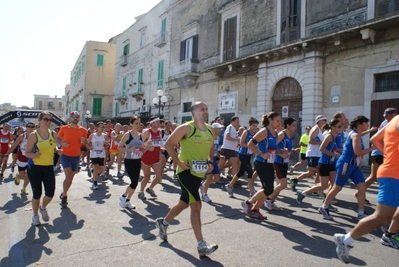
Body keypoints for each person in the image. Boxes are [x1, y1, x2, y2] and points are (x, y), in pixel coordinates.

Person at [333, 114, 399, 263]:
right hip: (393, 175)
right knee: (381, 217)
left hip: (391, 172)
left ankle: (390, 234)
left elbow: (374, 139)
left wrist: (388, 155)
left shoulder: (393, 120)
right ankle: (345, 240)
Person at [155, 101, 218, 257]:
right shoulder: (186, 128)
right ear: (193, 112)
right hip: (184, 172)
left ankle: (163, 223)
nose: (205, 112)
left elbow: (211, 150)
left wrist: (210, 161)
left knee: (184, 203)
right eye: (202, 109)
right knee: (196, 204)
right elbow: (169, 144)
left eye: (207, 109)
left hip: (199, 174)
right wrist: (178, 163)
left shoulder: (210, 130)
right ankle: (201, 245)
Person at [319, 116, 375, 221]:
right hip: (346, 164)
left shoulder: (356, 134)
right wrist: (373, 148)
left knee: (362, 188)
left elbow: (360, 137)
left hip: (353, 165)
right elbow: (357, 152)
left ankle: (361, 213)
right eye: (366, 124)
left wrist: (370, 131)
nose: (367, 125)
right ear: (360, 124)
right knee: (337, 187)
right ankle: (324, 207)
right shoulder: (354, 135)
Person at [242, 111, 287, 219]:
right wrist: (261, 154)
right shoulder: (264, 132)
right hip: (261, 163)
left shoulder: (276, 133)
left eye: (280, 121)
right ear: (270, 120)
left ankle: (255, 209)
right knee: (268, 189)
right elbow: (250, 144)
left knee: (268, 189)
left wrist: (281, 152)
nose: (279, 123)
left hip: (269, 163)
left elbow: (272, 150)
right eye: (277, 121)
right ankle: (248, 203)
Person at [354, 108, 397, 203]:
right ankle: (360, 193)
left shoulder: (388, 123)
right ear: (390, 116)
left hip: (381, 153)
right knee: (374, 176)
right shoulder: (388, 124)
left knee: (377, 176)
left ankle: (360, 193)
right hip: (379, 153)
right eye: (394, 115)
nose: (395, 116)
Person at [296, 119, 342, 208]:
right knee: (323, 186)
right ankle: (303, 193)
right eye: (339, 126)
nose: (340, 128)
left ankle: (326, 203)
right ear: (333, 127)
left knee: (334, 185)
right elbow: (322, 148)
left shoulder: (335, 137)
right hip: (324, 163)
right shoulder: (329, 136)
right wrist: (333, 154)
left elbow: (333, 148)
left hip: (331, 163)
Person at [25, 112, 57, 226]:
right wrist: (34, 155)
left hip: (48, 167)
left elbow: (55, 147)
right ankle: (35, 215)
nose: (48, 122)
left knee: (50, 193)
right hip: (35, 167)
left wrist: (59, 150)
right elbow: (27, 153)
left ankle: (43, 208)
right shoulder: (34, 135)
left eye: (50, 120)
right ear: (39, 120)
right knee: (37, 194)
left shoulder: (53, 134)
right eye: (45, 119)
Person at [266, 117, 299, 210]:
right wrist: (281, 154)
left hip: (285, 162)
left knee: (280, 184)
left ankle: (271, 200)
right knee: (283, 184)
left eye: (296, 125)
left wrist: (292, 150)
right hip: (278, 162)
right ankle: (268, 199)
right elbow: (272, 147)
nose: (295, 127)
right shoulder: (282, 135)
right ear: (287, 125)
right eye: (293, 125)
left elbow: (285, 149)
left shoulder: (289, 136)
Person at [56, 111, 87, 208]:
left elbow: (85, 142)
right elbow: (57, 138)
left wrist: (84, 141)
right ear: (70, 118)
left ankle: (63, 193)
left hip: (76, 156)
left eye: (77, 117)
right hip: (65, 155)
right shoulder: (64, 128)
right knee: (68, 177)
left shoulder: (82, 130)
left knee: (70, 179)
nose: (75, 118)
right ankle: (65, 196)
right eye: (73, 117)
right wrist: (62, 144)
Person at [290, 115, 327, 191]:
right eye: (324, 120)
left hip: (318, 154)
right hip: (312, 154)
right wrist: (321, 142)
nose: (325, 122)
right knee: (310, 173)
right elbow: (310, 141)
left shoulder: (319, 130)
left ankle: (316, 189)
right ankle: (295, 180)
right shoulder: (315, 129)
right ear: (319, 121)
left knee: (318, 172)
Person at [118, 116, 148, 209]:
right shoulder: (127, 135)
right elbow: (119, 147)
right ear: (131, 124)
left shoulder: (140, 136)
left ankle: (128, 201)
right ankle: (123, 196)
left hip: (137, 161)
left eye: (139, 124)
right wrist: (128, 150)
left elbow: (142, 151)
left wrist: (147, 147)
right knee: (134, 182)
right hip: (129, 161)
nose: (138, 125)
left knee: (135, 183)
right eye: (136, 123)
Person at [225, 117, 258, 197]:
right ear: (249, 125)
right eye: (253, 125)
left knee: (241, 172)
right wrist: (250, 146)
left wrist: (254, 151)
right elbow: (242, 143)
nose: (255, 127)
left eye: (256, 126)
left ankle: (230, 185)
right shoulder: (246, 132)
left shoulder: (255, 134)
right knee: (250, 172)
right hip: (243, 154)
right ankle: (251, 190)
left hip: (249, 155)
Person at [138, 116, 163, 199]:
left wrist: (161, 149)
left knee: (159, 175)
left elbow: (158, 144)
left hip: (156, 157)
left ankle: (150, 188)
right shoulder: (147, 133)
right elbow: (140, 146)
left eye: (159, 122)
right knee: (147, 176)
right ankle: (141, 191)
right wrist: (147, 147)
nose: (159, 123)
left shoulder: (159, 132)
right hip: (146, 158)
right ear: (152, 123)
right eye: (157, 122)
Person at [6, 123, 35, 195]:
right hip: (22, 158)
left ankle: (24, 188)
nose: (30, 128)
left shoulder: (36, 136)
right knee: (22, 175)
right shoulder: (22, 137)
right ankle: (18, 177)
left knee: (29, 175)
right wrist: (7, 155)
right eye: (29, 126)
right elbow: (13, 146)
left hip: (31, 159)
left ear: (34, 128)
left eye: (32, 127)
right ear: (26, 128)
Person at [200, 122, 224, 203]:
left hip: (213, 159)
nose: (220, 130)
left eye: (220, 128)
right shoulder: (208, 137)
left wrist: (219, 155)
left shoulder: (218, 138)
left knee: (217, 178)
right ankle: (204, 195)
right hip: (208, 160)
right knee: (209, 177)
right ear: (213, 129)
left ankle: (204, 185)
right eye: (218, 128)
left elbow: (215, 149)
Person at [87, 122, 108, 190]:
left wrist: (106, 144)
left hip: (101, 154)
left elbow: (107, 145)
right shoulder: (92, 135)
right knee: (96, 167)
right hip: (94, 154)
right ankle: (95, 183)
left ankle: (91, 169)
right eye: (101, 127)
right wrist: (89, 147)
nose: (102, 128)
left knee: (101, 170)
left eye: (103, 127)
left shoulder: (105, 136)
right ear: (97, 128)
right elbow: (87, 142)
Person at [221, 116, 240, 193]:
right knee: (220, 165)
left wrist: (237, 143)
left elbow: (234, 139)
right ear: (232, 121)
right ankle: (211, 174)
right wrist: (236, 140)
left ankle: (233, 181)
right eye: (237, 122)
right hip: (226, 149)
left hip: (232, 150)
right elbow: (227, 137)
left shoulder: (235, 130)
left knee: (235, 165)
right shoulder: (229, 127)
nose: (238, 124)